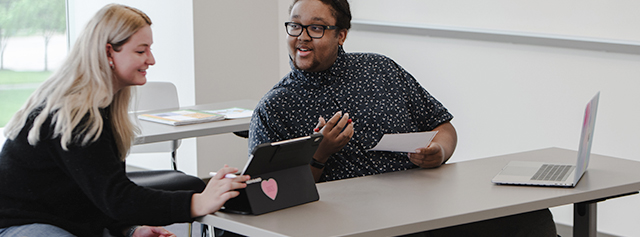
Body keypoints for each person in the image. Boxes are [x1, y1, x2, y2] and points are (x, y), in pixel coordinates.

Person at [249, 0, 557, 236]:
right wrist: (320, 154)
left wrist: (439, 151)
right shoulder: (274, 107)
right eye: (295, 26)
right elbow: (269, 195)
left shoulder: (381, 69)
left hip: (422, 208)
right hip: (353, 224)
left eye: (316, 28)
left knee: (531, 217)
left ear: (341, 35)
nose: (302, 38)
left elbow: (442, 126)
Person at [0, 4, 249, 237]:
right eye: (141, 51)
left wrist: (129, 230)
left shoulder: (104, 108)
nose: (151, 60)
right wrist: (197, 202)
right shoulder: (74, 113)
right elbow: (116, 198)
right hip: (21, 226)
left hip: (63, 220)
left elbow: (96, 191)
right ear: (109, 52)